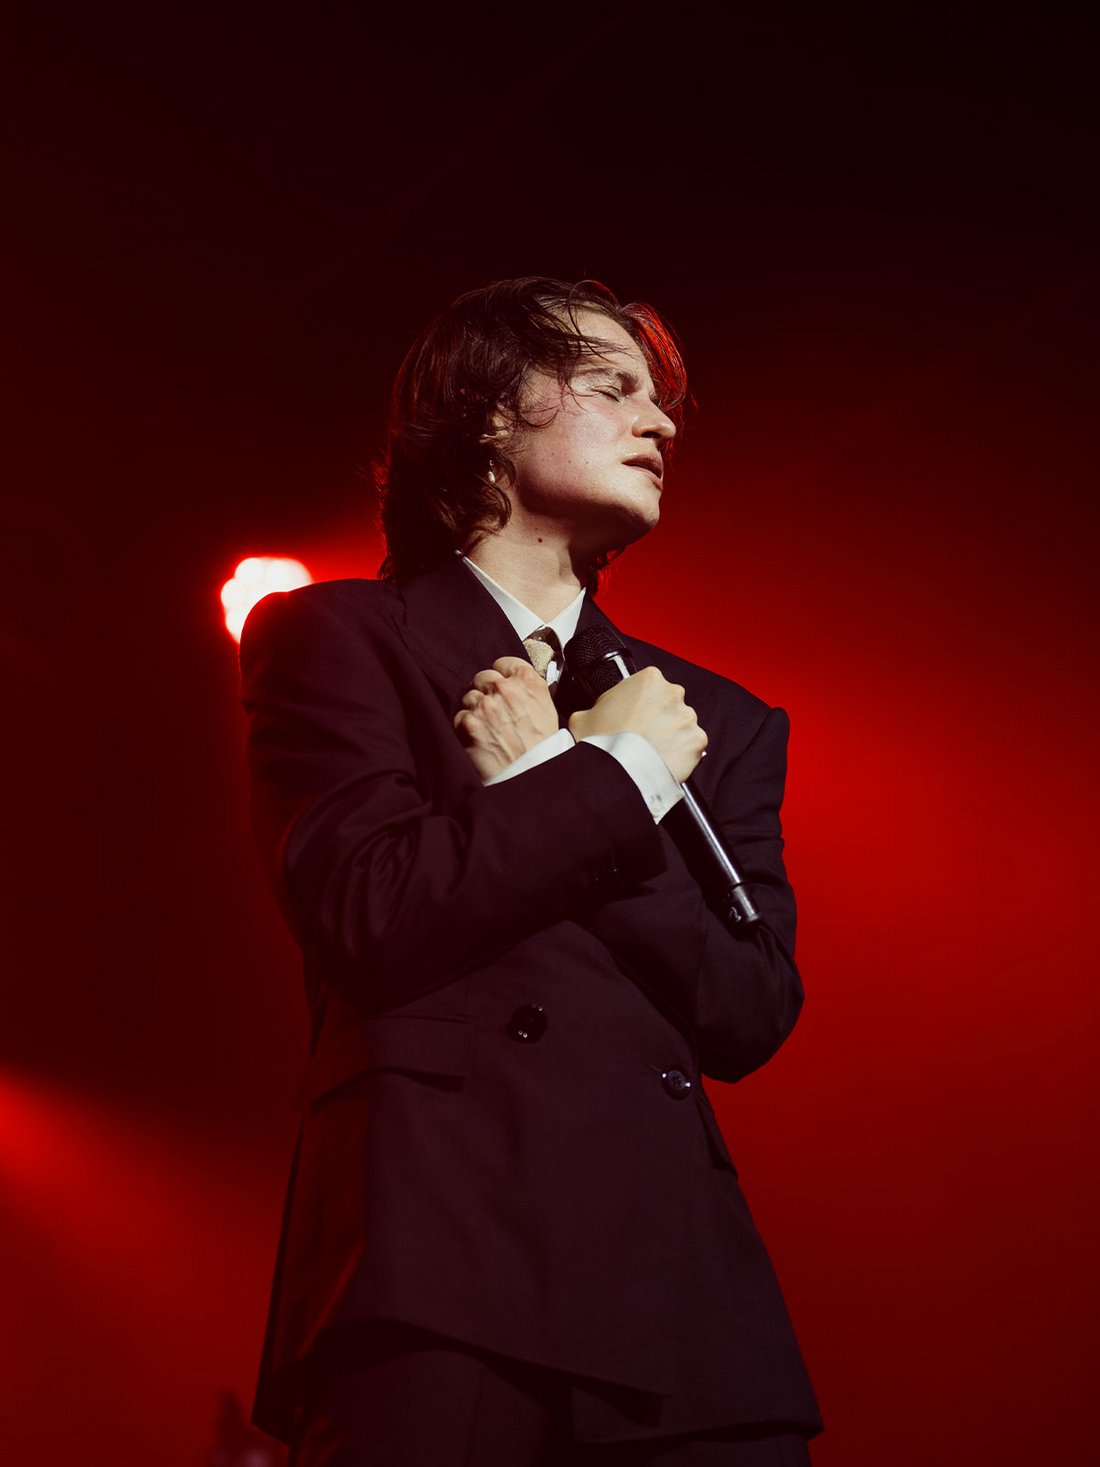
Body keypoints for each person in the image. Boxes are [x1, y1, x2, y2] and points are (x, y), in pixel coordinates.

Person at [239, 277, 822, 1464]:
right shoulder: (337, 635)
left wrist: (564, 776)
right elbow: (367, 910)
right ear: (487, 416)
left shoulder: (712, 716)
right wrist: (605, 789)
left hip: (683, 1310)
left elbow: (751, 1004)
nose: (657, 424)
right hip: (440, 1267)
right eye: (612, 387)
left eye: (662, 403)